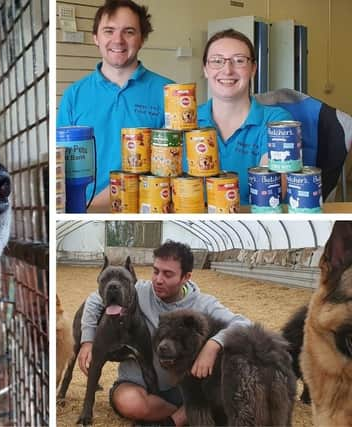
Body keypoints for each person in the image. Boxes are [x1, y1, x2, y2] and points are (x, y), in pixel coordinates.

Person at [78, 241, 250, 426]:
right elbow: (95, 299)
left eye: (168, 274)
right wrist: (87, 340)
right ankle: (190, 415)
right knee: (129, 403)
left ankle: (176, 419)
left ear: (186, 277)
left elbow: (244, 324)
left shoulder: (203, 304)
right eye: (156, 271)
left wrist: (213, 344)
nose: (158, 279)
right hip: (140, 385)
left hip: (186, 388)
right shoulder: (139, 291)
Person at [57, 0, 173, 209]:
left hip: (147, 208)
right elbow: (61, 165)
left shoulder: (169, 92)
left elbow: (171, 165)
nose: (117, 40)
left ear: (142, 39)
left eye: (128, 32)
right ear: (96, 38)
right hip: (82, 209)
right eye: (108, 31)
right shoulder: (74, 95)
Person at [196, 29, 293, 204]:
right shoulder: (184, 121)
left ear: (253, 69)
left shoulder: (277, 122)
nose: (227, 70)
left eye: (239, 61)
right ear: (205, 69)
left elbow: (269, 197)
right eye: (217, 61)